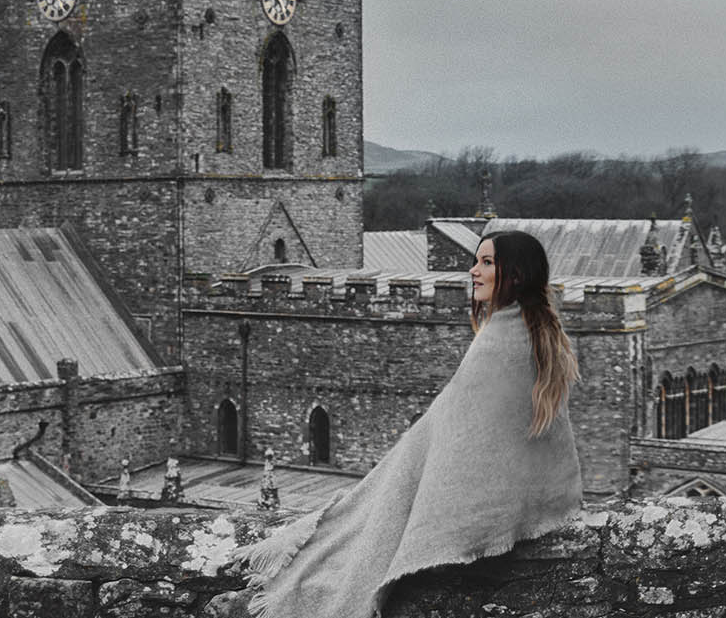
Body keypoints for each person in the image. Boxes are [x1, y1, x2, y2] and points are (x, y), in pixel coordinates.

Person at [238, 230, 583, 618]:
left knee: (353, 537)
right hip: (527, 506)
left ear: (515, 275)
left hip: (492, 516)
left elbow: (474, 441)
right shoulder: (537, 331)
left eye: (487, 262)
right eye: (477, 260)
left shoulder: (501, 340)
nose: (473, 271)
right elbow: (458, 428)